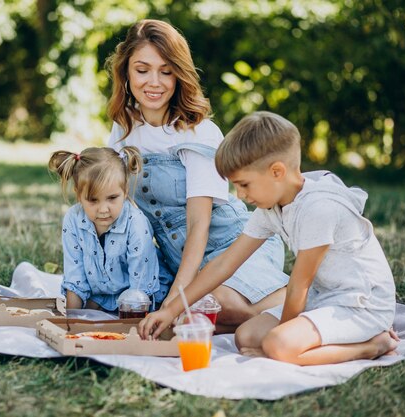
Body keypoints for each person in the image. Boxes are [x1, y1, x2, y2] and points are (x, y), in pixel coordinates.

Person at [139, 111, 399, 365]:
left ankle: (373, 345)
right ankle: (295, 343)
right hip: (324, 297)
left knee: (278, 345)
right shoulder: (272, 207)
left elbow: (299, 285)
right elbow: (224, 264)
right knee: (246, 337)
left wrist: (279, 340)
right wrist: (170, 310)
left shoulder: (319, 209)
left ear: (277, 172)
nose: (239, 195)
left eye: (244, 184)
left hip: (361, 303)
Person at [106, 19, 288, 331]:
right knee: (127, 301)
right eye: (142, 69)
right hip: (176, 258)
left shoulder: (198, 131)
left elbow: (198, 225)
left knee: (217, 305)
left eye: (166, 71)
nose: (155, 82)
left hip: (229, 245)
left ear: (179, 75)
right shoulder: (123, 130)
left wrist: (177, 297)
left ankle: (311, 306)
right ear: (125, 72)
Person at [48, 146, 168, 312]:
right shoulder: (73, 219)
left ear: (125, 190)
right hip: (102, 294)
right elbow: (75, 279)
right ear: (78, 195)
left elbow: (140, 288)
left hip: (140, 296)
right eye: (93, 200)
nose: (103, 209)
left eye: (112, 198)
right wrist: (71, 322)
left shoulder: (136, 223)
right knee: (84, 314)